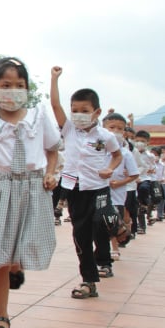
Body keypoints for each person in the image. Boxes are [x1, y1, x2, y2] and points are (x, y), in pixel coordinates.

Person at [0, 58, 59, 328]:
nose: (14, 91)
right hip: (2, 188)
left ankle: (17, 265)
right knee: (0, 259)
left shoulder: (39, 116)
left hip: (33, 187)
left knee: (21, 248)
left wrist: (51, 173)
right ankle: (1, 317)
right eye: (6, 85)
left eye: (20, 85)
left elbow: (52, 148)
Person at [49, 66, 122, 300]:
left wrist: (109, 169)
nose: (78, 114)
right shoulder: (69, 130)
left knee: (102, 222)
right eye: (75, 110)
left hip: (99, 188)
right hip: (76, 189)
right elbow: (55, 106)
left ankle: (117, 234)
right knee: (81, 235)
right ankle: (89, 280)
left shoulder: (105, 136)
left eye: (84, 111)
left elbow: (117, 155)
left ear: (97, 112)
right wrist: (54, 79)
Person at [102, 112, 139, 275]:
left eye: (119, 129)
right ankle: (102, 252)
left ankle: (115, 246)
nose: (115, 131)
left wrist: (119, 182)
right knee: (99, 224)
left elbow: (134, 174)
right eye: (111, 128)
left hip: (117, 194)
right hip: (98, 192)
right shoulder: (96, 148)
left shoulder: (125, 153)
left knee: (111, 222)